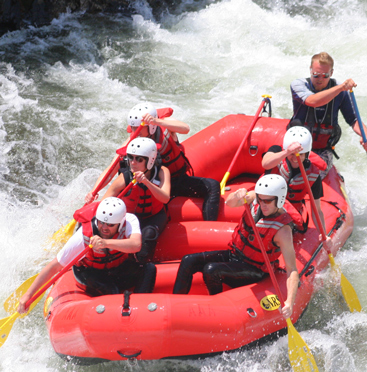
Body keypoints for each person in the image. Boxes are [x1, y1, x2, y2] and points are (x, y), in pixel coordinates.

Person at [173, 174, 299, 319]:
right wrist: (237, 195)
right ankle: (177, 307)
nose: (263, 204)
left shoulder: (283, 231)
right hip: (235, 255)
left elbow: (292, 270)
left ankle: (217, 312)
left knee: (211, 270)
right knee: (188, 260)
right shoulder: (255, 198)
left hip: (255, 269)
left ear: (280, 199)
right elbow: (229, 203)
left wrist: (289, 302)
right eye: (260, 199)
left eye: (268, 201)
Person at [86, 102, 221, 221]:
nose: (134, 131)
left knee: (213, 186)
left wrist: (157, 122)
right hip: (151, 186)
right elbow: (111, 169)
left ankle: (209, 225)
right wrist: (93, 192)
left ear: (150, 127)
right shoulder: (132, 142)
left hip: (176, 180)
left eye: (138, 127)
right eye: (132, 127)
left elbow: (185, 129)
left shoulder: (165, 126)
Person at [17, 197, 155, 314]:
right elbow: (55, 266)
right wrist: (28, 295)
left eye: (110, 225)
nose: (104, 228)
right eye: (101, 222)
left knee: (149, 269)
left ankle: (140, 308)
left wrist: (105, 243)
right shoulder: (83, 237)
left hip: (117, 267)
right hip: (90, 273)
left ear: (120, 224)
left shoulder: (130, 221)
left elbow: (136, 245)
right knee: (112, 290)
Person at [290, 51, 367, 177]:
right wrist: (341, 87)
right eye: (316, 75)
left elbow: (353, 120)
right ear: (310, 70)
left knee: (314, 174)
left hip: (322, 149)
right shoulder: (298, 85)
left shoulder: (341, 93)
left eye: (325, 76)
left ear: (331, 73)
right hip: (296, 147)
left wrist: (366, 136)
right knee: (290, 171)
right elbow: (312, 101)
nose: (320, 79)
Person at [102, 137, 170, 264]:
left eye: (139, 159)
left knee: (148, 234)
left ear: (150, 160)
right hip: (130, 218)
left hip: (154, 217)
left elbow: (165, 198)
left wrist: (146, 182)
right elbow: (105, 200)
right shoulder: (125, 177)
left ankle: (142, 266)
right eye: (130, 157)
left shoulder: (162, 172)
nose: (133, 162)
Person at [262, 126, 329, 237]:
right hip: (266, 206)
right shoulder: (276, 152)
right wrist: (287, 151)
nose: (295, 158)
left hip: (287, 214)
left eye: (300, 155)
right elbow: (265, 163)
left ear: (307, 154)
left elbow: (316, 210)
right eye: (292, 154)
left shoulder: (313, 175)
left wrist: (324, 235)